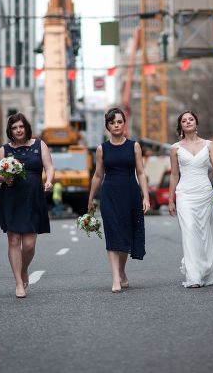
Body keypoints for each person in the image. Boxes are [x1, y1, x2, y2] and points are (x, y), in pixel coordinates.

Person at [0, 113, 54, 299]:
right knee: (13, 241)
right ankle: (18, 282)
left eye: (21, 126)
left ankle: (24, 268)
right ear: (10, 131)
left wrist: (49, 180)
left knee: (28, 244)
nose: (18, 130)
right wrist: (5, 177)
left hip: (33, 197)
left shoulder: (39, 145)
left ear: (26, 127)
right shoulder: (5, 150)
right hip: (11, 197)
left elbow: (49, 166)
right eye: (14, 128)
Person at [88, 108, 149, 293]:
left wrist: (145, 196)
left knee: (126, 236)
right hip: (110, 196)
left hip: (130, 194)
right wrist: (90, 198)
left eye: (120, 122)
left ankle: (121, 271)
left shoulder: (134, 146)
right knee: (113, 234)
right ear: (107, 126)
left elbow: (141, 172)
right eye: (113, 122)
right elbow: (98, 175)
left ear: (124, 124)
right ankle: (116, 277)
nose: (116, 125)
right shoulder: (102, 149)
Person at [168, 110, 213, 288]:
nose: (188, 122)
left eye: (191, 119)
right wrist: (171, 199)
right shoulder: (175, 148)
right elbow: (174, 175)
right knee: (190, 230)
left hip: (204, 192)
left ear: (196, 123)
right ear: (181, 126)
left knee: (204, 233)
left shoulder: (209, 145)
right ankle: (193, 277)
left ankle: (206, 271)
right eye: (184, 120)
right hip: (185, 193)